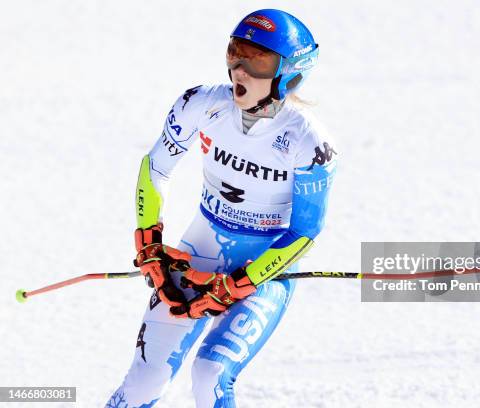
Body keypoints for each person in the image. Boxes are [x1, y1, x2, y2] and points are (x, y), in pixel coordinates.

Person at [106, 8, 338, 408]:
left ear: (290, 74)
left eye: (257, 60)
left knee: (210, 373)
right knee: (144, 382)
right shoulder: (200, 103)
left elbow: (304, 233)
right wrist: (149, 243)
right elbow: (154, 169)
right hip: (199, 252)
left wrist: (240, 284)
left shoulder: (309, 143)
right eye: (235, 53)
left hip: (265, 268)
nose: (240, 71)